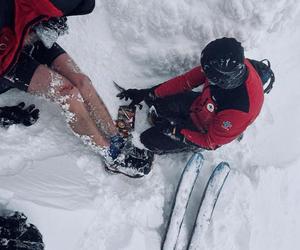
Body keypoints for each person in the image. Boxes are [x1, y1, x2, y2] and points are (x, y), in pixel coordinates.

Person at [0, 0, 153, 178]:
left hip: (27, 27)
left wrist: (46, 22)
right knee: (68, 95)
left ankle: (116, 137)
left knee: (82, 82)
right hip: (6, 57)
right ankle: (112, 156)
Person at [118, 37, 265, 155]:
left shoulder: (239, 111)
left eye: (208, 75)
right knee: (157, 104)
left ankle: (179, 147)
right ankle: (171, 122)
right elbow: (185, 81)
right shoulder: (221, 65)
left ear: (222, 80)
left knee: (147, 139)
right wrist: (149, 93)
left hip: (203, 131)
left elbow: (209, 142)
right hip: (199, 105)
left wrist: (175, 132)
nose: (203, 73)